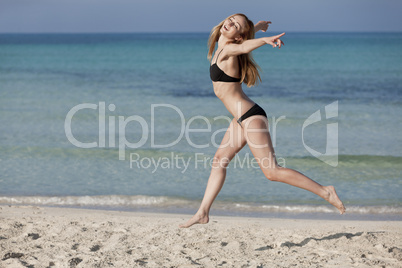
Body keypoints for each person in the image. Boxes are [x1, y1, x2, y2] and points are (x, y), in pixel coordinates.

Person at [179, 13, 345, 228]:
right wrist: (257, 27)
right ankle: (202, 213)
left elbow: (242, 48)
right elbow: (241, 39)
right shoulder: (223, 41)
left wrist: (263, 41)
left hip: (251, 117)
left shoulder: (229, 49)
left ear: (239, 36)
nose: (229, 23)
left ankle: (326, 191)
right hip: (240, 119)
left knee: (271, 171)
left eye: (235, 24)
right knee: (219, 161)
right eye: (230, 19)